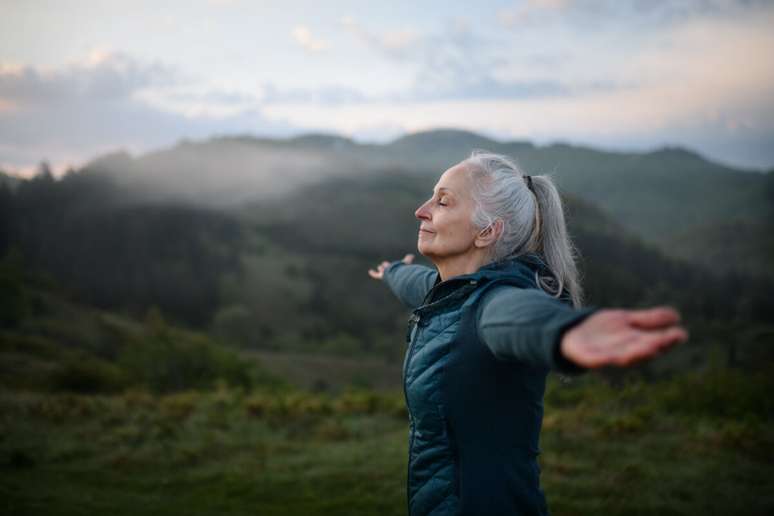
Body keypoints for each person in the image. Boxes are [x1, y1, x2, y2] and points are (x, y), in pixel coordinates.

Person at [367, 151, 688, 516]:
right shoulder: (452, 293)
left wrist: (566, 331)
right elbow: (420, 284)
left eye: (442, 201)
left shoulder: (494, 303)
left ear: (487, 231)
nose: (421, 210)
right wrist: (392, 272)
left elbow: (520, 317)